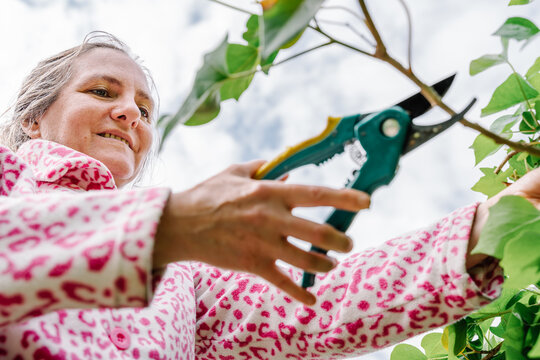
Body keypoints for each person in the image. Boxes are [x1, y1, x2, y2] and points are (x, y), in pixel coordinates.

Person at [0, 32, 538, 359]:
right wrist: (165, 228)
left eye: (143, 109)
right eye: (102, 92)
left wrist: (490, 228)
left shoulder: (184, 273)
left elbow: (315, 307)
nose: (130, 113)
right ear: (33, 119)